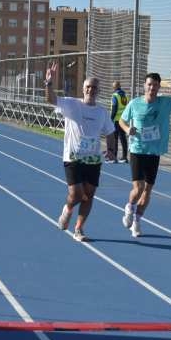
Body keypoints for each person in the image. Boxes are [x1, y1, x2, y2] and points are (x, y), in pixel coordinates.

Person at [44, 61, 113, 242]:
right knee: (76, 194)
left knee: (88, 195)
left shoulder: (102, 112)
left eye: (94, 88)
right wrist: (49, 83)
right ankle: (67, 210)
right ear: (83, 89)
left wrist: (111, 149)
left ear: (98, 91)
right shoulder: (71, 104)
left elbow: (110, 132)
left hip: (93, 160)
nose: (91, 90)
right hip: (73, 157)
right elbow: (51, 99)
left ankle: (79, 228)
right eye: (88, 87)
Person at [118, 70, 171, 238]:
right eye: (149, 84)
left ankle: (137, 221)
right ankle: (129, 207)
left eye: (155, 85)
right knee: (138, 188)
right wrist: (128, 129)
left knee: (148, 190)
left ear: (159, 87)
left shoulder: (165, 103)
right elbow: (122, 120)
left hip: (154, 152)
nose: (152, 88)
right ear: (145, 85)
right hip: (137, 150)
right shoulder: (135, 103)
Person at [107, 81, 130, 163]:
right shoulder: (125, 96)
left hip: (116, 120)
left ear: (114, 87)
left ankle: (114, 156)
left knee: (115, 139)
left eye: (113, 87)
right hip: (123, 120)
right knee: (123, 138)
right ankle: (124, 157)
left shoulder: (115, 96)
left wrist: (110, 119)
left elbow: (114, 109)